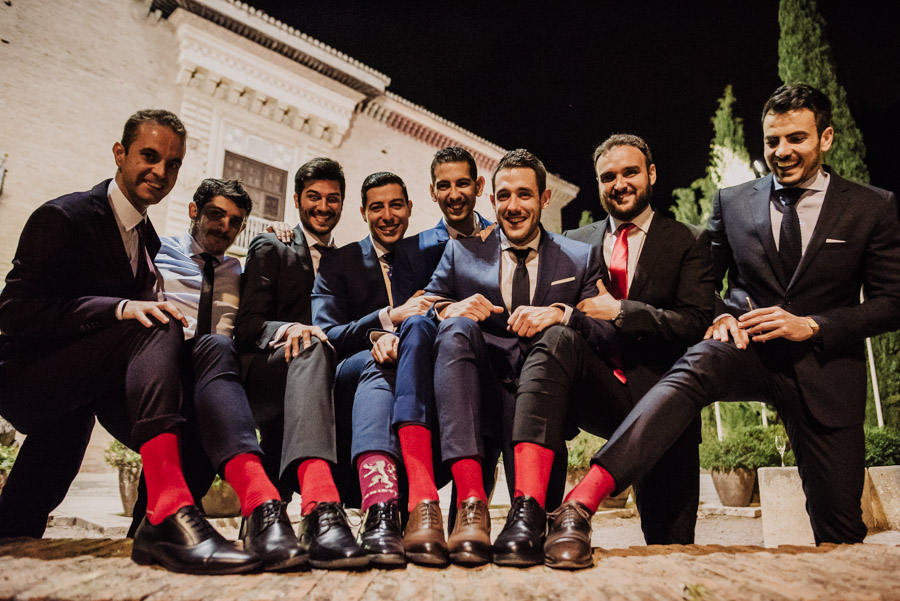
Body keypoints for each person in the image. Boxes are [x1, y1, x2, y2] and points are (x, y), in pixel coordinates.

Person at [552, 83, 900, 567]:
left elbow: (891, 302)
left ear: (826, 138)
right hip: (745, 350)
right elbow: (700, 284)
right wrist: (719, 316)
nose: (782, 152)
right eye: (772, 141)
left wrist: (813, 325)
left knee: (839, 528)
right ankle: (585, 498)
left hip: (823, 369)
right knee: (694, 366)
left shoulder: (871, 206)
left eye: (795, 139)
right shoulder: (733, 202)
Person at [0, 110, 258, 574]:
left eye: (172, 164)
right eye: (149, 156)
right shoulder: (65, 215)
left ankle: (151, 533)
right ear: (120, 154)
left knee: (189, 432)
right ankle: (168, 512)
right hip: (31, 377)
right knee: (158, 320)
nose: (160, 172)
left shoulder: (146, 236)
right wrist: (119, 308)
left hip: (93, 383)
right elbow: (15, 310)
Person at [492, 134, 714, 568]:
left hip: (662, 403)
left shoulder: (690, 241)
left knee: (671, 551)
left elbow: (693, 322)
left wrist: (622, 311)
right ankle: (528, 507)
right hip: (595, 393)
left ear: (650, 174)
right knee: (555, 339)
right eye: (607, 176)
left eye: (630, 172)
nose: (619, 183)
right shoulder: (573, 241)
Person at [412, 148, 612, 566]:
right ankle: (470, 500)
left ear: (544, 198)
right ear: (492, 200)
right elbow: (426, 305)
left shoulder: (579, 257)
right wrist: (448, 309)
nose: (513, 206)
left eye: (524, 195)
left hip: (543, 411)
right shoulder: (460, 252)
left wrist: (561, 314)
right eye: (504, 196)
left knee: (534, 541)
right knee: (456, 327)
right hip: (477, 405)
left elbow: (606, 333)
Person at [124, 178, 303, 571]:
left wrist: (278, 233)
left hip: (214, 389)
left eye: (235, 221)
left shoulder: (237, 270)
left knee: (220, 349)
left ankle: (255, 509)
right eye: (216, 215)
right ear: (193, 210)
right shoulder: (158, 250)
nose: (224, 227)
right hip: (160, 377)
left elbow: (258, 311)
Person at [360, 147, 494, 567]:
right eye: (444, 185)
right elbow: (409, 313)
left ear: (479, 187)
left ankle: (471, 514)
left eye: (462, 183)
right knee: (418, 326)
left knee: (470, 527)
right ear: (432, 192)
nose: (454, 193)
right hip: (426, 368)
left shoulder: (501, 239)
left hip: (488, 362)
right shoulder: (412, 250)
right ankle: (422, 504)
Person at [233, 157, 367, 569]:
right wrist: (291, 329)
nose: (323, 207)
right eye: (313, 197)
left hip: (323, 376)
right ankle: (319, 503)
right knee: (309, 347)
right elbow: (248, 325)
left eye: (333, 199)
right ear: (296, 200)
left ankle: (378, 509)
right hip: (269, 369)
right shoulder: (273, 244)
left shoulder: (349, 262)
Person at [312, 171, 428, 566]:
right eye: (376, 207)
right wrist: (384, 323)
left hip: (417, 374)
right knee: (377, 367)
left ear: (410, 208)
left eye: (396, 204)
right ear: (363, 213)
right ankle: (380, 509)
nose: (388, 215)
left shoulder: (428, 255)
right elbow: (327, 331)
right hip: (354, 373)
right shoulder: (337, 262)